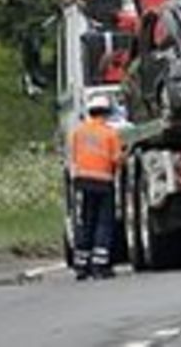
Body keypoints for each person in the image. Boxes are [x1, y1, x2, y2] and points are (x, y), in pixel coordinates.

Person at [70, 95, 124, 280]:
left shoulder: (78, 132)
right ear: (107, 113)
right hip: (103, 182)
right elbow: (116, 159)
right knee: (103, 223)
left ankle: (81, 265)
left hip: (82, 181)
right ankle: (100, 265)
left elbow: (75, 156)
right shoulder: (110, 133)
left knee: (85, 222)